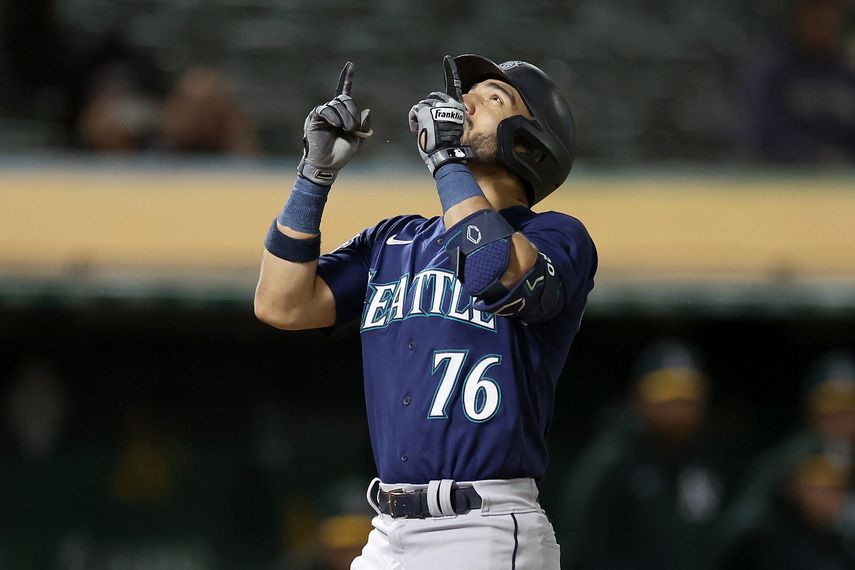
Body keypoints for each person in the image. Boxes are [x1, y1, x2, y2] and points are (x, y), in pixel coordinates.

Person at [254, 54, 596, 570]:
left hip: (484, 524)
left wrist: (447, 161)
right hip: (388, 530)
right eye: (466, 94)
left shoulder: (557, 235)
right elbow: (281, 304)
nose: (465, 104)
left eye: (493, 98)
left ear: (529, 143)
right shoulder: (395, 240)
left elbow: (493, 269)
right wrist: (313, 177)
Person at [559, 340, 727, 570]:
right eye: (667, 397)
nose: (678, 409)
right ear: (640, 397)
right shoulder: (613, 461)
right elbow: (583, 549)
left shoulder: (705, 463)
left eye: (686, 398)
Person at [738, 0, 855, 163]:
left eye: (833, 15)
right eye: (818, 17)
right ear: (799, 15)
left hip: (840, 169)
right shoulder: (772, 68)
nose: (828, 21)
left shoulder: (844, 72)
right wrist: (816, 154)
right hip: (783, 170)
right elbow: (762, 132)